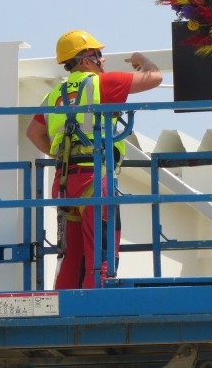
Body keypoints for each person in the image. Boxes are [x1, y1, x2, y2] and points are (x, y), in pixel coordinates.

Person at [25, 30, 162, 289]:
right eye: (98, 55)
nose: (103, 60)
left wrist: (61, 154)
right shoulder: (101, 84)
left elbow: (33, 132)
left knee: (72, 254)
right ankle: (96, 303)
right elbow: (155, 77)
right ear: (86, 60)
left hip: (64, 183)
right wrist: (142, 59)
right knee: (101, 252)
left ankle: (63, 304)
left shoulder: (54, 95)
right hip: (94, 181)